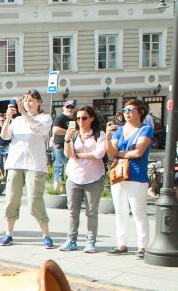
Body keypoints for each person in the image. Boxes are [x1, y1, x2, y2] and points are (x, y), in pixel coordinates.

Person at [0, 90, 54, 248]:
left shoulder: (45, 118)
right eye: (25, 100)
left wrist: (24, 112)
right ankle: (8, 234)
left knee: (34, 201)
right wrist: (9, 117)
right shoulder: (17, 121)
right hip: (15, 163)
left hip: (35, 164)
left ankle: (46, 234)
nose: (27, 103)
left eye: (31, 100)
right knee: (11, 199)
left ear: (39, 102)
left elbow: (38, 130)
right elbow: (4, 136)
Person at [105, 99, 154, 258]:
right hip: (119, 174)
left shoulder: (145, 129)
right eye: (125, 109)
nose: (126, 112)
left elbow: (138, 152)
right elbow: (111, 153)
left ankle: (142, 246)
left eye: (130, 109)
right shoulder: (118, 130)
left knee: (138, 212)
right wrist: (107, 138)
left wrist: (118, 153)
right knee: (120, 211)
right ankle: (122, 244)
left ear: (140, 112)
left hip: (136, 174)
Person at [60, 106, 106, 253]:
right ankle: (71, 240)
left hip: (94, 178)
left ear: (92, 118)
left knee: (91, 212)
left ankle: (91, 242)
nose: (80, 121)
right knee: (73, 211)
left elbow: (99, 154)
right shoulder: (74, 135)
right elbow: (68, 154)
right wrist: (67, 139)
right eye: (78, 118)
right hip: (74, 177)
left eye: (84, 118)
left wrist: (79, 155)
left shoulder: (99, 134)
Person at [51, 100, 76, 191]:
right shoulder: (60, 117)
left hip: (71, 146)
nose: (69, 109)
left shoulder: (75, 118)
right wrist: (68, 132)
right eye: (68, 107)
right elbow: (55, 130)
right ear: (63, 108)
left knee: (70, 168)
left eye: (72, 107)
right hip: (60, 146)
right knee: (59, 167)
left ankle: (66, 189)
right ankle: (57, 190)